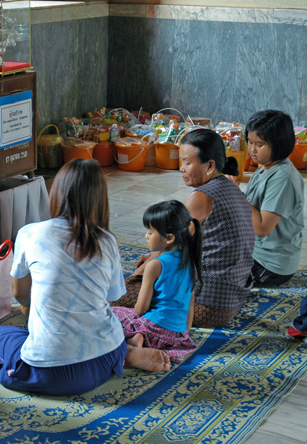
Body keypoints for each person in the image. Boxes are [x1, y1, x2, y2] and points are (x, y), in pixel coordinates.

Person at [0, 159, 170, 398]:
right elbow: (111, 299)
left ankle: (123, 354)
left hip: (53, 374)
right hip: (108, 355)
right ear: (100, 200)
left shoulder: (30, 234)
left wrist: (32, 308)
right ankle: (127, 355)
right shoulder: (107, 240)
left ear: (57, 193)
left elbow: (20, 294)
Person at [113, 129, 255, 328]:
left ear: (210, 166)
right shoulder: (232, 187)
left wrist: (134, 279)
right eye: (181, 162)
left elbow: (168, 246)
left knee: (114, 296)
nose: (182, 168)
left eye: (187, 163)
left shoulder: (201, 197)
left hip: (208, 306)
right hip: (234, 299)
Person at [111, 200, 202, 363]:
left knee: (111, 314)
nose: (146, 236)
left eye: (150, 232)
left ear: (169, 238)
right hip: (177, 335)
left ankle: (135, 342)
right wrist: (185, 332)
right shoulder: (189, 262)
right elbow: (191, 302)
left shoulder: (155, 265)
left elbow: (140, 308)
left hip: (152, 327)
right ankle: (143, 341)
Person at [244, 110, 304, 287]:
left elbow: (262, 228)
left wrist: (236, 196)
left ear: (279, 144)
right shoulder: (265, 168)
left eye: (260, 144)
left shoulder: (283, 178)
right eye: (250, 142)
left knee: (209, 273)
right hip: (256, 253)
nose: (252, 149)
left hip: (269, 266)